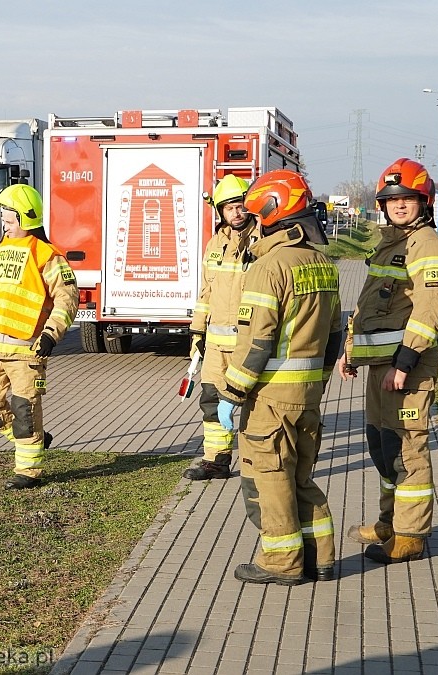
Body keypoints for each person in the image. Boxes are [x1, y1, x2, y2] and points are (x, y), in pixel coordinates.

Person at [218, 169, 343, 585]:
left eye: (256, 216)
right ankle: (320, 558)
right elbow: (336, 334)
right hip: (307, 396)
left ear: (272, 212)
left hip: (270, 398)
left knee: (269, 479)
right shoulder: (323, 264)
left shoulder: (270, 267)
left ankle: (282, 562)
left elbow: (257, 343)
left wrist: (232, 393)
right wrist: (320, 381)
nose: (253, 224)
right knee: (301, 478)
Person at [338, 158, 438, 565]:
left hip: (407, 368)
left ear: (423, 202)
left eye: (408, 198)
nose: (399, 205)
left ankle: (409, 536)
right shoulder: (390, 244)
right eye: (392, 199)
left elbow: (432, 306)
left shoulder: (428, 246)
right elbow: (370, 305)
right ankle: (389, 523)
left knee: (407, 451)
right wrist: (351, 351)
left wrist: (404, 363)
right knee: (383, 447)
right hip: (380, 369)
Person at [0, 183, 79, 489]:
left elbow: (67, 299)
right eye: (3, 217)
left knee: (24, 412)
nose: (4, 223)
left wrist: (51, 336)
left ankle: (28, 472)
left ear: (26, 218)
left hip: (27, 350)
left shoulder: (47, 255)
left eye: (10, 218)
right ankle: (33, 439)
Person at [183, 174, 254, 481]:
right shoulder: (215, 244)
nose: (236, 213)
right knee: (211, 399)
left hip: (250, 342)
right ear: (221, 211)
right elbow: (205, 293)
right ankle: (216, 460)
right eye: (229, 208)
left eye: (240, 206)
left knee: (254, 404)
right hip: (215, 344)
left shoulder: (262, 240)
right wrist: (197, 333)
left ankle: (258, 463)